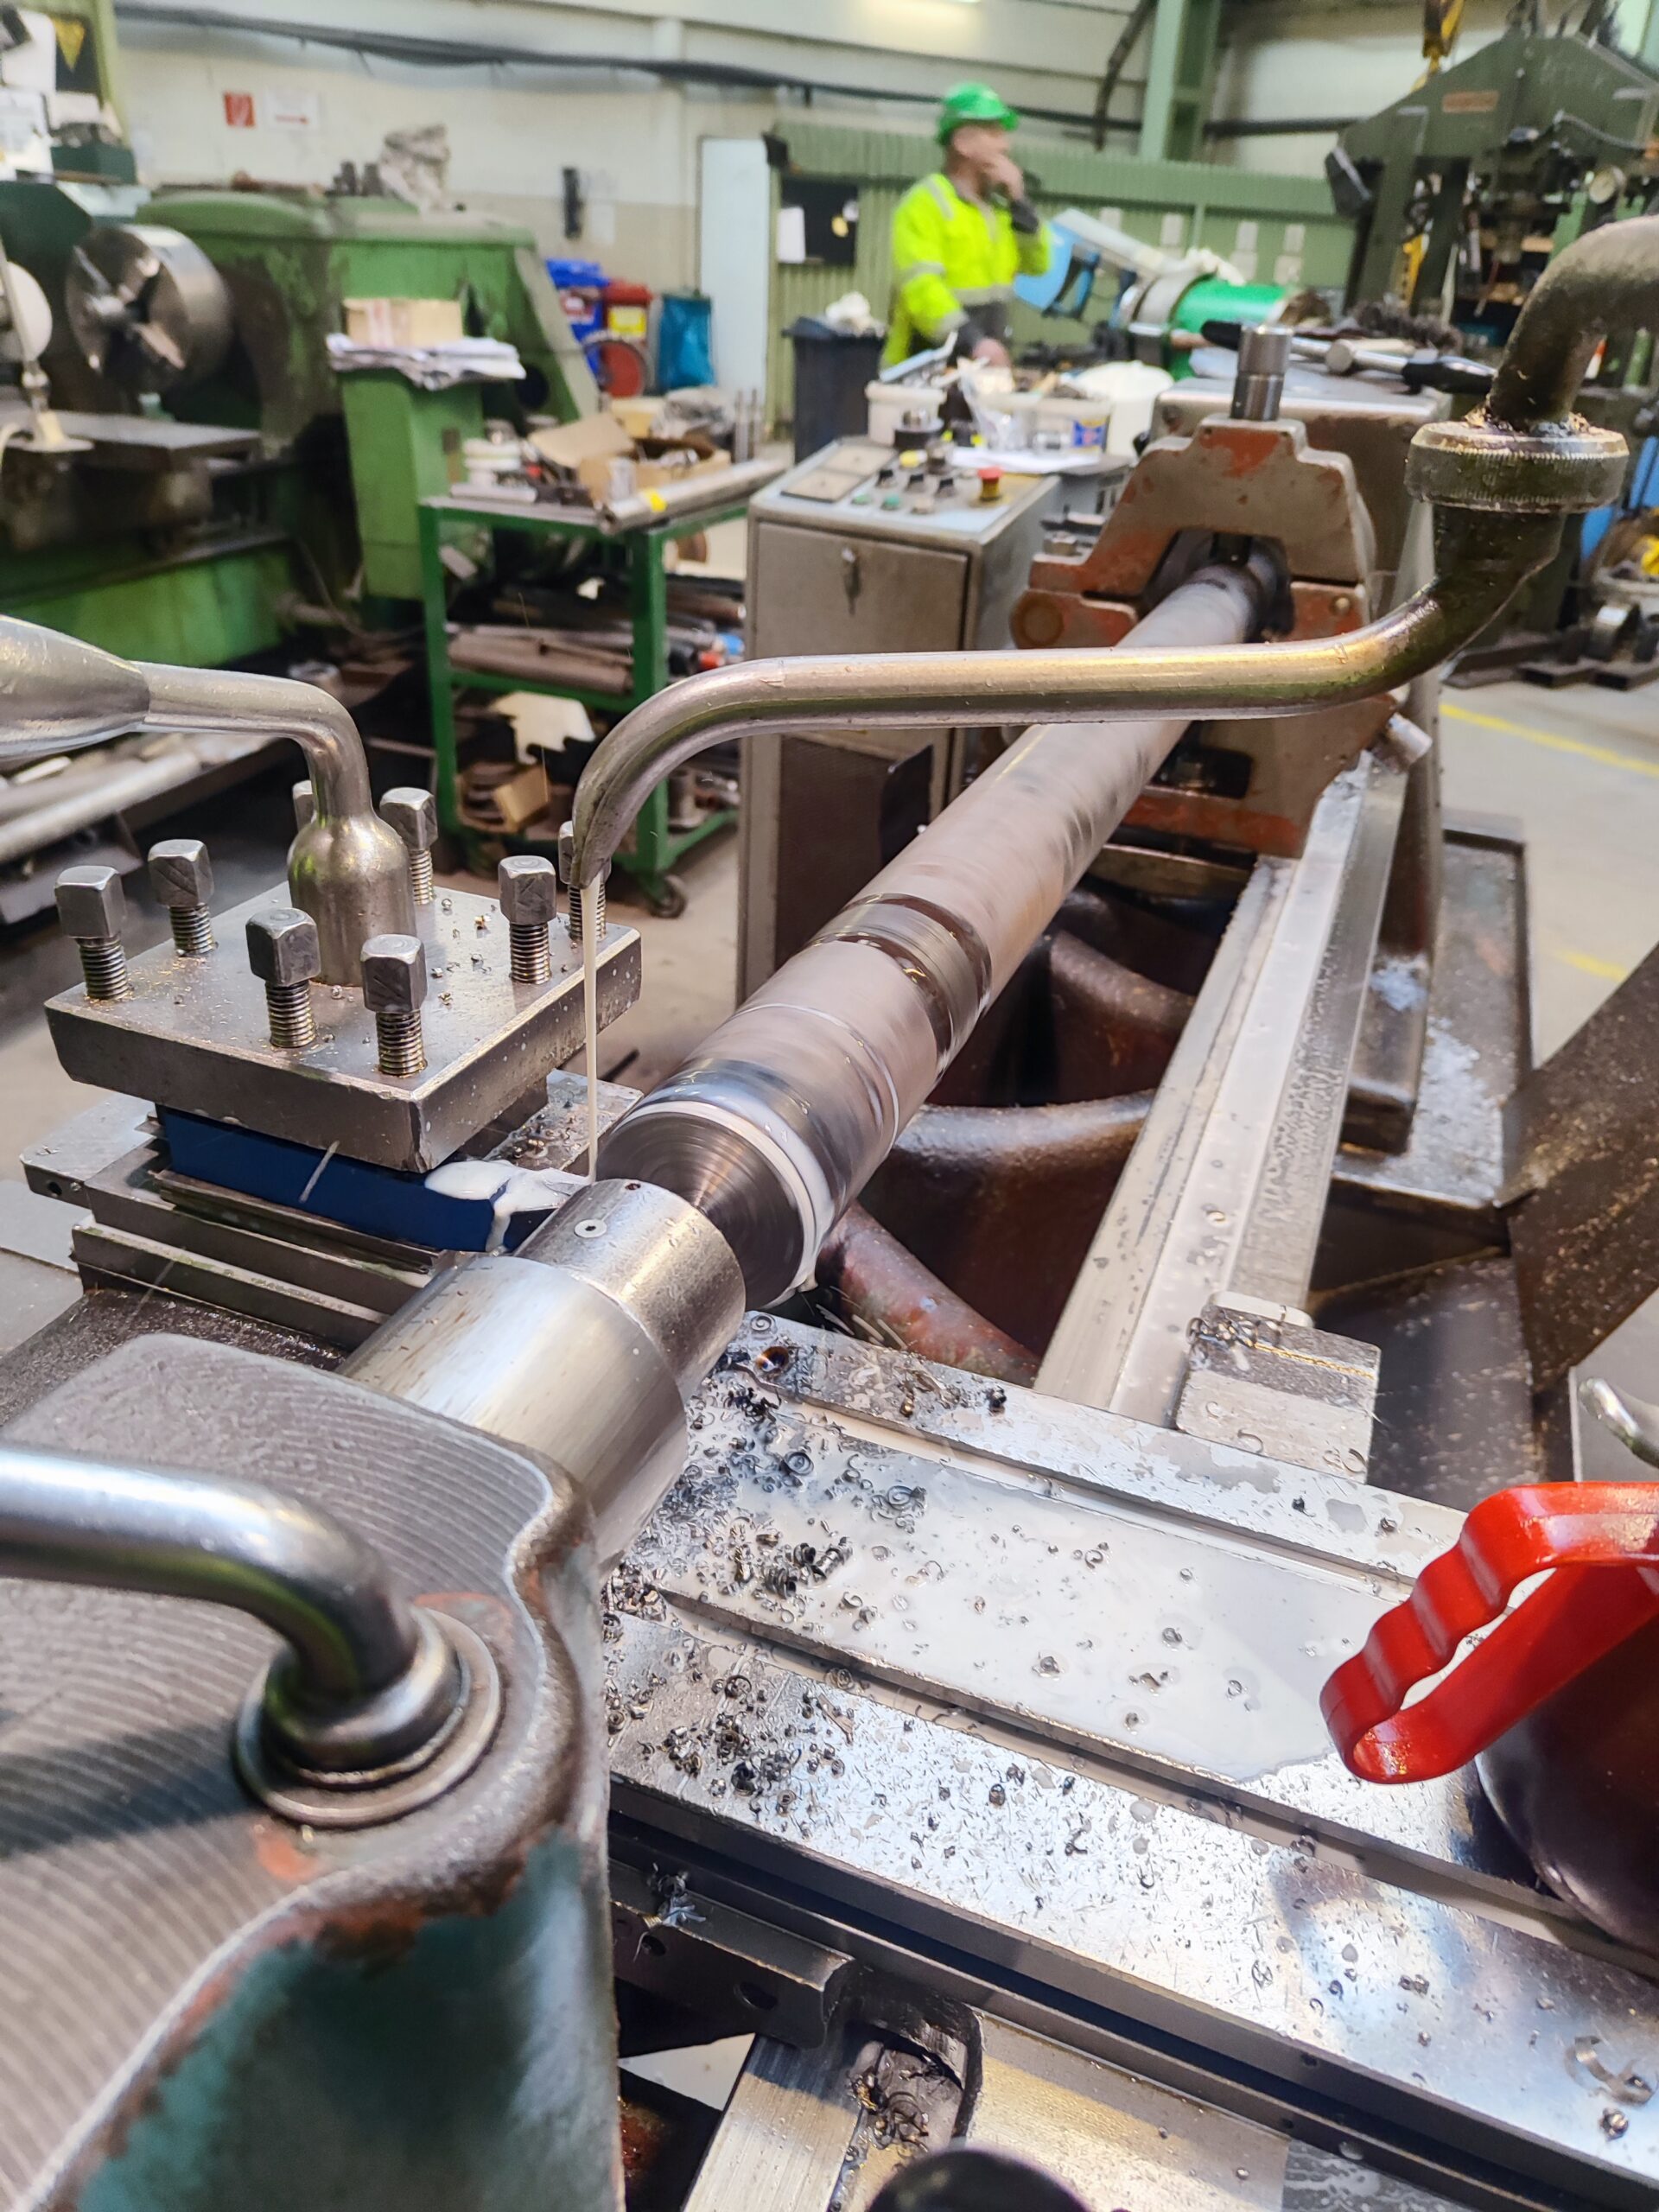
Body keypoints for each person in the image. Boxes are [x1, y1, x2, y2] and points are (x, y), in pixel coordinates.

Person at [884, 83, 1051, 371]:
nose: (1005, 146)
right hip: (924, 371)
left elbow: (1038, 264)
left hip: (979, 369)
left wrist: (1019, 201)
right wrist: (974, 342)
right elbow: (922, 289)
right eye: (994, 133)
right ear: (962, 143)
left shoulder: (1001, 209)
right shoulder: (924, 203)